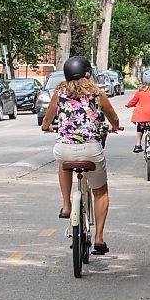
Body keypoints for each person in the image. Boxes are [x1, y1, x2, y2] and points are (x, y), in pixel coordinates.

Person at [41, 56, 120, 256]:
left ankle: (66, 205)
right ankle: (99, 238)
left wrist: (48, 127)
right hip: (92, 149)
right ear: (87, 73)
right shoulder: (97, 93)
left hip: (65, 148)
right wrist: (115, 126)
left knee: (63, 162)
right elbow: (113, 117)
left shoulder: (59, 94)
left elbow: (46, 120)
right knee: (100, 192)